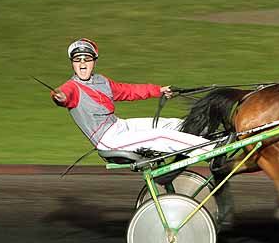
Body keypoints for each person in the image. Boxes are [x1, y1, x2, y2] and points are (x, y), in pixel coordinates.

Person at [51, 38, 212, 157]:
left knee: (169, 124)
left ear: (94, 61)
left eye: (87, 59)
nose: (82, 63)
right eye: (77, 60)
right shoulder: (71, 87)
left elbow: (128, 90)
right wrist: (58, 96)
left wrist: (158, 90)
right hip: (108, 139)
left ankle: (210, 134)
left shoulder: (101, 80)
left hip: (120, 126)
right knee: (160, 136)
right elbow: (63, 95)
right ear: (72, 63)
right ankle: (211, 151)